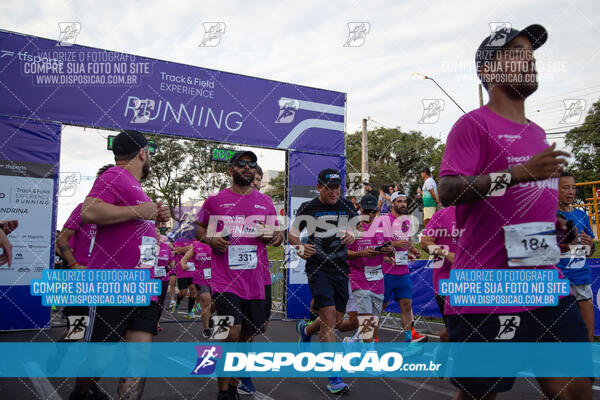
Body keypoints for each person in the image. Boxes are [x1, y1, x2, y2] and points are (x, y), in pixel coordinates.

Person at [437, 24, 591, 399]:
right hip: (487, 289)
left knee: (576, 392)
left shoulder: (538, 133)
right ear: (489, 72)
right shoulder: (473, 125)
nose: (530, 62)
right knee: (480, 395)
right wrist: (519, 173)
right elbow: (447, 191)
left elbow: (523, 214)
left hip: (545, 285)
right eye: (517, 55)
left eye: (532, 55)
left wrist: (555, 232)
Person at [71, 130, 170, 400]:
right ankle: (81, 393)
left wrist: (157, 215)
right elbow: (89, 211)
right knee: (100, 357)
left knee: (139, 356)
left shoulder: (135, 187)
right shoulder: (114, 175)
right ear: (142, 152)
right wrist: (141, 211)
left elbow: (133, 227)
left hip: (144, 286)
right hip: (115, 284)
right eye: (149, 152)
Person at [194, 150, 282, 400]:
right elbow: (198, 229)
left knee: (248, 334)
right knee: (231, 332)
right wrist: (212, 240)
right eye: (241, 164)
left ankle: (232, 383)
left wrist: (274, 236)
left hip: (257, 280)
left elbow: (278, 235)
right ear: (230, 170)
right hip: (225, 279)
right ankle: (224, 392)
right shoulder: (215, 200)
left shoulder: (265, 202)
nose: (247, 168)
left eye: (251, 164)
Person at [290, 168, 357, 395]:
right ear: (319, 187)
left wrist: (352, 234)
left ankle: (306, 330)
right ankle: (334, 377)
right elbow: (291, 233)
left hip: (340, 269)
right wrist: (299, 246)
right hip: (318, 268)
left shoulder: (346, 206)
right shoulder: (308, 208)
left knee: (337, 319)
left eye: (337, 187)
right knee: (328, 318)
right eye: (329, 187)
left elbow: (356, 227)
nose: (334, 191)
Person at [345, 194, 393, 343]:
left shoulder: (381, 225)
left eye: (373, 212)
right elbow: (343, 253)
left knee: (373, 321)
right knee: (366, 318)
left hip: (377, 279)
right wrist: (361, 253)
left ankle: (352, 343)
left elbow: (391, 249)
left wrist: (389, 251)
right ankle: (368, 357)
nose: (370, 215)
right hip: (358, 277)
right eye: (367, 212)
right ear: (361, 209)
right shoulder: (353, 225)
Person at [380, 192, 425, 344]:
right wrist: (394, 244)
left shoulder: (406, 220)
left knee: (406, 305)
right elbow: (377, 242)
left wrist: (413, 250)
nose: (403, 204)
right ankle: (367, 339)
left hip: (403, 270)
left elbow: (406, 240)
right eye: (399, 201)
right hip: (386, 270)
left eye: (405, 201)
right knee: (380, 307)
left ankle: (409, 340)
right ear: (392, 203)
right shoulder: (384, 219)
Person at [556, 171, 596, 342]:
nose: (571, 192)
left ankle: (585, 363)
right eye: (565, 188)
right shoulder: (548, 216)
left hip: (581, 279)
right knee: (557, 334)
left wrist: (590, 246)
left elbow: (590, 252)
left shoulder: (581, 216)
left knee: (587, 332)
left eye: (573, 188)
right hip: (558, 282)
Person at [420, 206, 460, 342]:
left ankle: (444, 353)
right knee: (456, 330)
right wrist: (447, 254)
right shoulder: (442, 215)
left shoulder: (480, 212)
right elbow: (425, 243)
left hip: (474, 282)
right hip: (447, 281)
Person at [181, 238, 213, 338]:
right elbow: (184, 259)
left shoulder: (216, 244)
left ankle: (208, 315)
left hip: (216, 279)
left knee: (215, 304)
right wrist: (183, 264)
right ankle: (206, 329)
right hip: (201, 279)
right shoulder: (195, 245)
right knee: (206, 299)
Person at [155, 226, 175, 332]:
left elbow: (171, 261)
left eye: (157, 231)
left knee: (160, 302)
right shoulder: (146, 246)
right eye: (153, 231)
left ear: (160, 234)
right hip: (150, 279)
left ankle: (156, 320)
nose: (156, 233)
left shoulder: (166, 247)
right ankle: (151, 322)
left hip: (163, 278)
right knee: (151, 301)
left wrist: (171, 265)